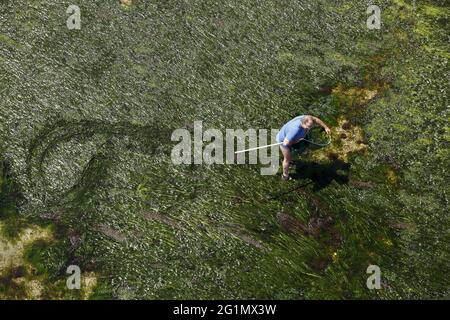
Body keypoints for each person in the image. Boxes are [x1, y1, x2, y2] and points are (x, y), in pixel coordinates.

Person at [276, 115, 331, 180]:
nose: (311, 127)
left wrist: (325, 127)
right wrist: (296, 141)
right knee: (287, 159)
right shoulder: (295, 130)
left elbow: (316, 119)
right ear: (303, 123)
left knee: (291, 154)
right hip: (282, 141)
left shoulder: (306, 118)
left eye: (311, 125)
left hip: (288, 136)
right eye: (308, 127)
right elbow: (285, 143)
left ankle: (290, 160)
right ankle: (285, 175)